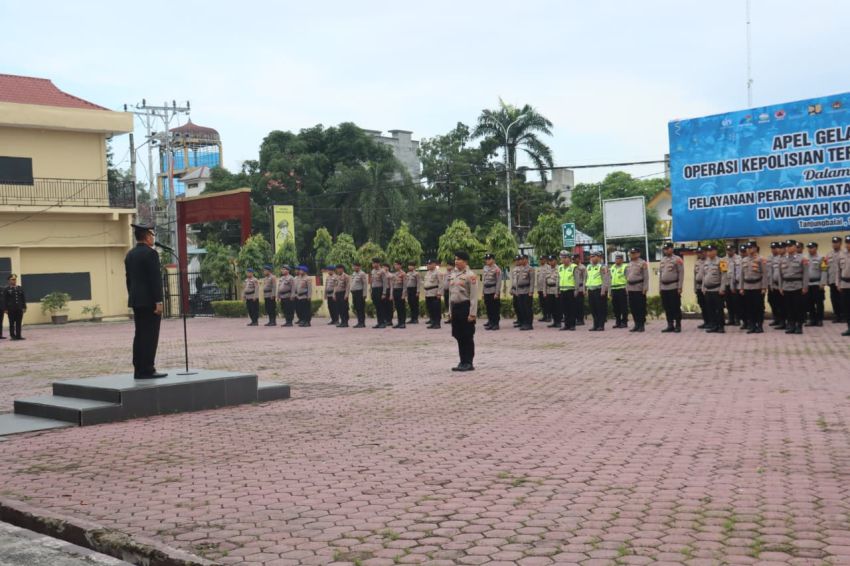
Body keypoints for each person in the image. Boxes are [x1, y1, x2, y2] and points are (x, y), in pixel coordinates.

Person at [124, 223, 165, 378]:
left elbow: (128, 280)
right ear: (147, 236)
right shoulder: (151, 254)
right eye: (151, 235)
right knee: (150, 335)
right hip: (150, 302)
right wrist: (158, 301)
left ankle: (138, 368)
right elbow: (155, 280)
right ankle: (148, 368)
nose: (152, 238)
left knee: (139, 334)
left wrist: (133, 296)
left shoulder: (130, 254)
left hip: (136, 301)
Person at [449, 250, 478, 372]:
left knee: (467, 336)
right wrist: (450, 312)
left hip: (465, 307)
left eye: (459, 259)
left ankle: (468, 362)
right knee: (458, 335)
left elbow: (474, 296)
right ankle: (462, 361)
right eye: (455, 259)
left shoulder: (470, 275)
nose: (456, 261)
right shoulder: (453, 275)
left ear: (465, 261)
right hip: (455, 308)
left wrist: (472, 313)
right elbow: (450, 295)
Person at [778, 239, 809, 334]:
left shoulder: (802, 259)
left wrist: (805, 287)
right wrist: (780, 287)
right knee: (789, 307)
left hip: (797, 286)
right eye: (786, 246)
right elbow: (780, 275)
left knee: (798, 307)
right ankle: (791, 325)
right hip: (786, 286)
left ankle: (799, 325)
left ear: (795, 247)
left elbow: (806, 274)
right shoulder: (782, 259)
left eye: (790, 246)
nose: (788, 248)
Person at [739, 241, 768, 333]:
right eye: (747, 248)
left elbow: (764, 274)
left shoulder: (761, 259)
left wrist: (764, 287)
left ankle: (759, 325)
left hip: (758, 286)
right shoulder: (744, 260)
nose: (748, 249)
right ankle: (751, 325)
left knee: (758, 307)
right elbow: (741, 275)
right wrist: (741, 287)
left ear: (755, 248)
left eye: (750, 247)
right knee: (749, 307)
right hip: (747, 287)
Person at [658, 242, 684, 333]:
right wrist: (660, 287)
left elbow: (681, 274)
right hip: (664, 287)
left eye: (667, 248)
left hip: (674, 286)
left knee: (675, 307)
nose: (666, 250)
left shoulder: (677, 259)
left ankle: (678, 325)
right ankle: (670, 324)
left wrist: (680, 287)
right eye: (664, 249)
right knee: (667, 307)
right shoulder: (662, 260)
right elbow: (660, 275)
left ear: (672, 249)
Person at [702, 244, 728, 333]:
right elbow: (704, 276)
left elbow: (724, 275)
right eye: (707, 251)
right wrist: (703, 287)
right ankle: (713, 326)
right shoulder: (706, 261)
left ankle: (721, 326)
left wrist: (722, 288)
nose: (708, 253)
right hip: (708, 289)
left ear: (715, 251)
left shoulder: (722, 261)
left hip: (717, 289)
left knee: (719, 309)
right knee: (710, 309)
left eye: (710, 251)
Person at [626, 247, 649, 332]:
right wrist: (627, 288)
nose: (632, 255)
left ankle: (641, 325)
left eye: (634, 253)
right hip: (631, 288)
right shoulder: (629, 263)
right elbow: (627, 277)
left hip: (639, 287)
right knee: (633, 308)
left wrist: (645, 287)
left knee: (640, 307)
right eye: (631, 253)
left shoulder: (642, 263)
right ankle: (636, 324)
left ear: (638, 254)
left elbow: (646, 276)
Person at [586, 251, 610, 331]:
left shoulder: (602, 267)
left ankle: (601, 325)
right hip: (591, 289)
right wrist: (586, 289)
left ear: (599, 257)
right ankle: (595, 325)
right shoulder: (589, 266)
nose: (592, 258)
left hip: (599, 290)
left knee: (600, 308)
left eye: (594, 256)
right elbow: (587, 278)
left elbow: (605, 279)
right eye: (591, 256)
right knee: (593, 308)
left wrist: (603, 290)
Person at [805, 242, 826, 327]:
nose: (810, 249)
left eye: (812, 247)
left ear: (816, 248)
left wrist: (822, 283)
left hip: (817, 284)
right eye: (809, 247)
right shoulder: (805, 258)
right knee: (809, 303)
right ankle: (812, 319)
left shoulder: (822, 258)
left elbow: (824, 271)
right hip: (808, 284)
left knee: (819, 303)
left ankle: (820, 319)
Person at [512, 254, 535, 330]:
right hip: (520, 291)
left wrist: (531, 291)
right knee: (522, 308)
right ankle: (524, 323)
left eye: (522, 259)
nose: (520, 261)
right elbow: (518, 281)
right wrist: (517, 291)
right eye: (520, 259)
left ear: (526, 259)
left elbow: (532, 281)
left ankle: (529, 324)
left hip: (527, 290)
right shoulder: (520, 268)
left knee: (527, 308)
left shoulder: (530, 268)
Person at [767, 242, 786, 328]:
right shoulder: (771, 258)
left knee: (782, 304)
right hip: (773, 285)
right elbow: (770, 272)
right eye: (772, 248)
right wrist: (770, 284)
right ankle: (777, 319)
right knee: (773, 302)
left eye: (776, 248)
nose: (774, 250)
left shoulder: (785, 258)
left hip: (783, 286)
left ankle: (783, 321)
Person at [557, 251, 577, 331]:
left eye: (565, 258)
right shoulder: (560, 267)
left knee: (571, 308)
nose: (563, 259)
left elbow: (577, 279)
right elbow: (558, 279)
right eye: (562, 258)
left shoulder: (574, 267)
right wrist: (557, 290)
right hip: (562, 290)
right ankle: (566, 325)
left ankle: (572, 325)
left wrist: (576, 290)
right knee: (564, 309)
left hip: (571, 290)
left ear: (569, 258)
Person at [3, 274, 27, 341]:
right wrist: (5, 309)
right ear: (9, 281)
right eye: (12, 279)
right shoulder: (7, 289)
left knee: (19, 323)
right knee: (12, 323)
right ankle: (13, 336)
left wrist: (24, 307)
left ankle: (18, 335)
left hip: (19, 308)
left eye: (15, 279)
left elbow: (23, 298)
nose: (14, 281)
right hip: (11, 309)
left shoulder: (20, 288)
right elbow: (5, 300)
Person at [827, 236, 844, 323]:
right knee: (834, 299)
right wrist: (826, 280)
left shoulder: (844, 253)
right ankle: (837, 316)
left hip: (842, 281)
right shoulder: (829, 254)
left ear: (841, 243)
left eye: (836, 242)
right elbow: (826, 268)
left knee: (843, 299)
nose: (834, 244)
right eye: (833, 242)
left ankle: (844, 316)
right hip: (832, 280)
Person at [482, 253, 502, 330]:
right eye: (486, 259)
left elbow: (498, 282)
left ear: (493, 260)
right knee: (489, 308)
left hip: (493, 290)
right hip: (486, 290)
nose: (487, 260)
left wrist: (497, 293)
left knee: (495, 308)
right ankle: (490, 322)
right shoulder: (485, 268)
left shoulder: (497, 269)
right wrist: (483, 292)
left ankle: (496, 324)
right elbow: (484, 281)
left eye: (489, 259)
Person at [423, 259, 444, 329]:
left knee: (436, 309)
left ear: (434, 264)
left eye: (430, 264)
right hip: (428, 293)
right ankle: (432, 322)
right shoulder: (428, 273)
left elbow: (441, 283)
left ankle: (437, 323)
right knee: (430, 309)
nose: (428, 265)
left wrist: (439, 293)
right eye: (428, 264)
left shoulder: (438, 272)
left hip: (434, 293)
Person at [724, 242, 741, 326]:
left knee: (736, 302)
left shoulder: (739, 259)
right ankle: (731, 318)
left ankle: (737, 318)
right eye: (727, 250)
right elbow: (723, 272)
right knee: (728, 302)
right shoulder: (723, 260)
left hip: (735, 284)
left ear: (734, 250)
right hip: (727, 283)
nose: (729, 252)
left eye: (730, 250)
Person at [609, 252, 628, 328]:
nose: (617, 260)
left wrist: (627, 288)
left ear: (622, 260)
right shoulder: (612, 267)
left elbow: (627, 278)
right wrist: (610, 290)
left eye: (619, 259)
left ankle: (624, 322)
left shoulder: (625, 267)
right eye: (616, 259)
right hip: (614, 289)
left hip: (622, 289)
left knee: (623, 307)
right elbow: (610, 278)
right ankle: (618, 322)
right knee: (616, 307)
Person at [837, 235, 850, 336]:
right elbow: (838, 270)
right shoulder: (841, 254)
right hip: (844, 285)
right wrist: (838, 283)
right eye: (847, 242)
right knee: (846, 308)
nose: (848, 244)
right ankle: (849, 328)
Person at [369, 259, 388, 329]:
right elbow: (372, 282)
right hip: (374, 290)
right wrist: (371, 291)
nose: (373, 265)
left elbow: (385, 283)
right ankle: (379, 322)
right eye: (372, 263)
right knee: (377, 307)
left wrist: (384, 293)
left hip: (380, 290)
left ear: (378, 263)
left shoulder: (382, 271)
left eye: (374, 263)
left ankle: (383, 323)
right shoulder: (373, 271)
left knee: (381, 307)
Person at [349, 262, 368, 328]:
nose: (354, 268)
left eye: (355, 266)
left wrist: (364, 294)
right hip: (354, 293)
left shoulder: (362, 274)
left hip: (360, 293)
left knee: (361, 308)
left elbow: (365, 284)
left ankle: (362, 323)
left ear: (359, 267)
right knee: (357, 308)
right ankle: (359, 322)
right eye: (353, 266)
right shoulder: (354, 273)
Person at [544, 255, 561, 328]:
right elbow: (545, 281)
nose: (550, 262)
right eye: (549, 261)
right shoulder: (547, 269)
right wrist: (545, 291)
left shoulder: (560, 268)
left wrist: (558, 291)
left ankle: (558, 322)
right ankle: (554, 321)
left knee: (558, 307)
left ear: (555, 261)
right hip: (549, 290)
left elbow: (560, 281)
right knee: (551, 307)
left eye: (552, 260)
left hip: (556, 290)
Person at [693, 246, 707, 329]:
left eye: (701, 252)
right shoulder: (697, 262)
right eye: (698, 253)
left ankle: (711, 321)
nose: (700, 254)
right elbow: (694, 276)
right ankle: (705, 321)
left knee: (708, 305)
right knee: (702, 305)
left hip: (706, 287)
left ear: (705, 252)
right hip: (698, 286)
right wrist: (694, 287)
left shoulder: (709, 261)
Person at [390, 261, 407, 329]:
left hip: (400, 291)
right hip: (395, 291)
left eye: (396, 265)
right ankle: (399, 322)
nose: (395, 266)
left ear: (400, 266)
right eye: (394, 265)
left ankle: (403, 323)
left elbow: (405, 285)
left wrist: (403, 294)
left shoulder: (403, 273)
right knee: (397, 307)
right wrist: (392, 294)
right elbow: (392, 284)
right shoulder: (394, 274)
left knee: (402, 308)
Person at [573, 254, 587, 326]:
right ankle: (576, 318)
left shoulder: (582, 267)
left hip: (581, 288)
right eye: (573, 259)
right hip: (574, 288)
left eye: (575, 259)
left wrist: (585, 289)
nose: (574, 260)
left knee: (580, 305)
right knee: (574, 305)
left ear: (578, 259)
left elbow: (585, 278)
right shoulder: (573, 267)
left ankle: (581, 320)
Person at [536, 257, 551, 323]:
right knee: (542, 303)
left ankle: (549, 316)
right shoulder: (538, 268)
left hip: (546, 289)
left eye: (542, 259)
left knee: (548, 303)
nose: (541, 260)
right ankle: (544, 316)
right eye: (540, 259)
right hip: (540, 288)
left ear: (545, 260)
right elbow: (537, 279)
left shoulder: (548, 267)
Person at [443, 259, 455, 324]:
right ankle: (449, 318)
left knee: (452, 305)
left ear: (452, 266)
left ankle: (453, 318)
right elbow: (444, 282)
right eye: (447, 265)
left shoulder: (454, 273)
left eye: (449, 265)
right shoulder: (445, 273)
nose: (448, 267)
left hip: (452, 291)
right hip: (446, 290)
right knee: (447, 305)